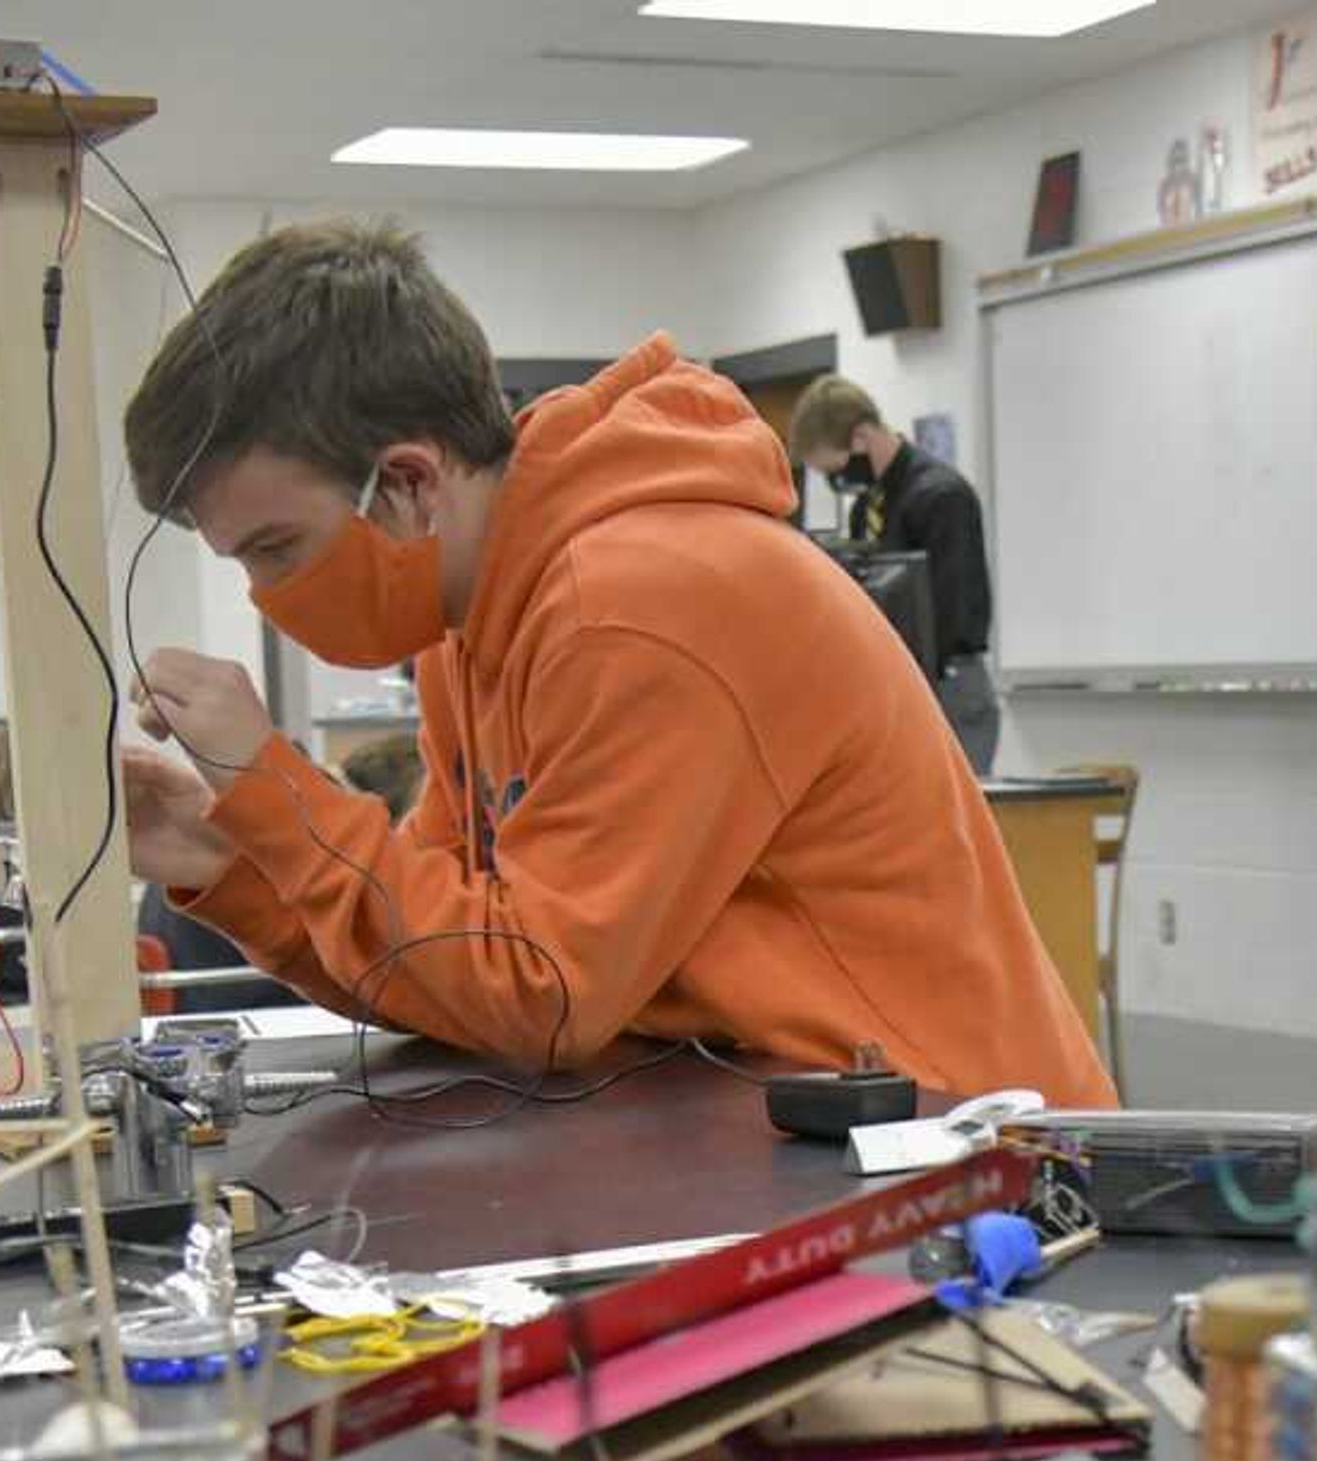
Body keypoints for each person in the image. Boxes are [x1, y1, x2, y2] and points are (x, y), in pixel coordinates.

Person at [116, 219, 1110, 1105]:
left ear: (410, 482)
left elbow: (535, 996)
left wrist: (278, 790)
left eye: (274, 547)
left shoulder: (635, 607)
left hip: (953, 1149)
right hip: (780, 1124)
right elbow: (442, 968)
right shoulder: (469, 632)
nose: (263, 594)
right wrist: (230, 859)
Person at [787, 376, 1001, 776]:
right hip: (899, 687)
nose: (839, 482)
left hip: (950, 687)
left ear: (861, 439)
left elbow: (952, 613)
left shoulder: (941, 497)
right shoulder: (866, 508)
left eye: (835, 469)